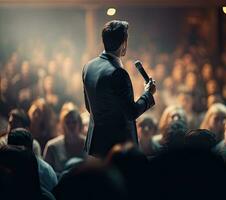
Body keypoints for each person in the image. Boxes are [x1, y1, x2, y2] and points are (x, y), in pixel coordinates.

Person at [82, 20, 156, 157]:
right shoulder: (118, 73)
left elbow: (89, 107)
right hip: (118, 147)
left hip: (97, 144)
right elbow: (131, 112)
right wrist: (148, 94)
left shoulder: (88, 67)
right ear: (124, 44)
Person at [7, 128, 58, 193]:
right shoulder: (3, 169)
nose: (18, 156)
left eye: (21, 152)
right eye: (15, 152)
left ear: (30, 148)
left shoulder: (45, 171)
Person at [44, 107, 86, 174]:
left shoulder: (89, 144)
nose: (71, 125)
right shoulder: (52, 146)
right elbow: (46, 175)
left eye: (74, 122)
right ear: (62, 124)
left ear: (80, 123)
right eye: (68, 122)